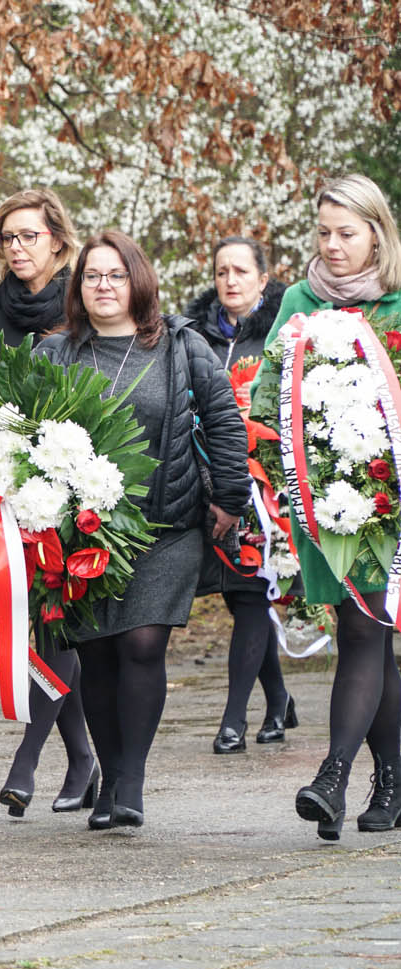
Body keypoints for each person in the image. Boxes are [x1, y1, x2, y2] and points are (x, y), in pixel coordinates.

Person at [36, 231, 248, 829]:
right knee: (98, 655)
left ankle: (130, 780)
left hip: (167, 525)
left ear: (139, 281)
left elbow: (226, 419)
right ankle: (108, 778)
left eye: (116, 275)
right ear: (78, 287)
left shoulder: (180, 346)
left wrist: (230, 498)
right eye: (92, 276)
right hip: (84, 536)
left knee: (142, 643)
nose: (103, 286)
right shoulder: (56, 353)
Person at [254, 174, 401, 839]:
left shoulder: (397, 304)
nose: (333, 246)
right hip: (319, 500)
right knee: (367, 636)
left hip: (388, 494)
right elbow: (266, 388)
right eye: (324, 233)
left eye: (347, 233)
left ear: (377, 232)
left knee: (367, 631)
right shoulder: (298, 300)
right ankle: (392, 782)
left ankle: (334, 778)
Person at [0, 189, 99, 817]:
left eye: (28, 236)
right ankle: (81, 759)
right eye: (7, 239)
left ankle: (28, 761)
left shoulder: (87, 297)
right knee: (48, 618)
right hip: (14, 481)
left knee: (59, 617)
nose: (17, 249)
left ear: (57, 239)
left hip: (82, 476)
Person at [185, 237, 295, 754]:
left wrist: (262, 404)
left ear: (262, 279)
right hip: (211, 479)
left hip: (267, 483)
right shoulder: (195, 337)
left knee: (251, 588)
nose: (230, 280)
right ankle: (277, 699)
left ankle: (233, 720)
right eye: (221, 270)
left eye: (241, 271)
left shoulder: (280, 332)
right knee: (239, 592)